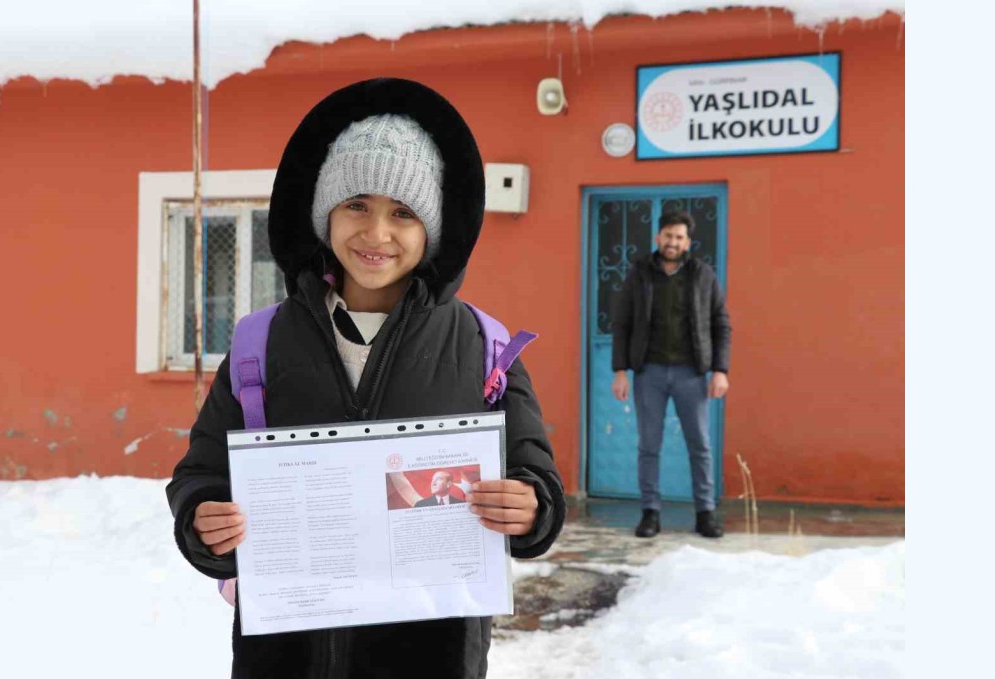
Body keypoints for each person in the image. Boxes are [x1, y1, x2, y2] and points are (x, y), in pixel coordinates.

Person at [166, 77, 566, 679]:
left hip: (432, 655)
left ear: (430, 229)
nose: (376, 234)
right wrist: (202, 517)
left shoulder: (483, 348)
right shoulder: (260, 343)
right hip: (284, 655)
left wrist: (531, 508)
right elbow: (201, 471)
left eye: (402, 213)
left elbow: (532, 472)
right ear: (324, 211)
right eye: (357, 205)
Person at [610, 209, 732, 539]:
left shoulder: (702, 274)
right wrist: (620, 371)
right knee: (649, 445)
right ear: (657, 237)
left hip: (691, 375)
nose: (673, 242)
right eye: (668, 236)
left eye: (679, 237)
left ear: (687, 242)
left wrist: (720, 369)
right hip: (648, 373)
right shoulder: (639, 274)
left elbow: (721, 323)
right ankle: (651, 513)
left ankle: (705, 512)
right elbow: (622, 323)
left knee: (700, 445)